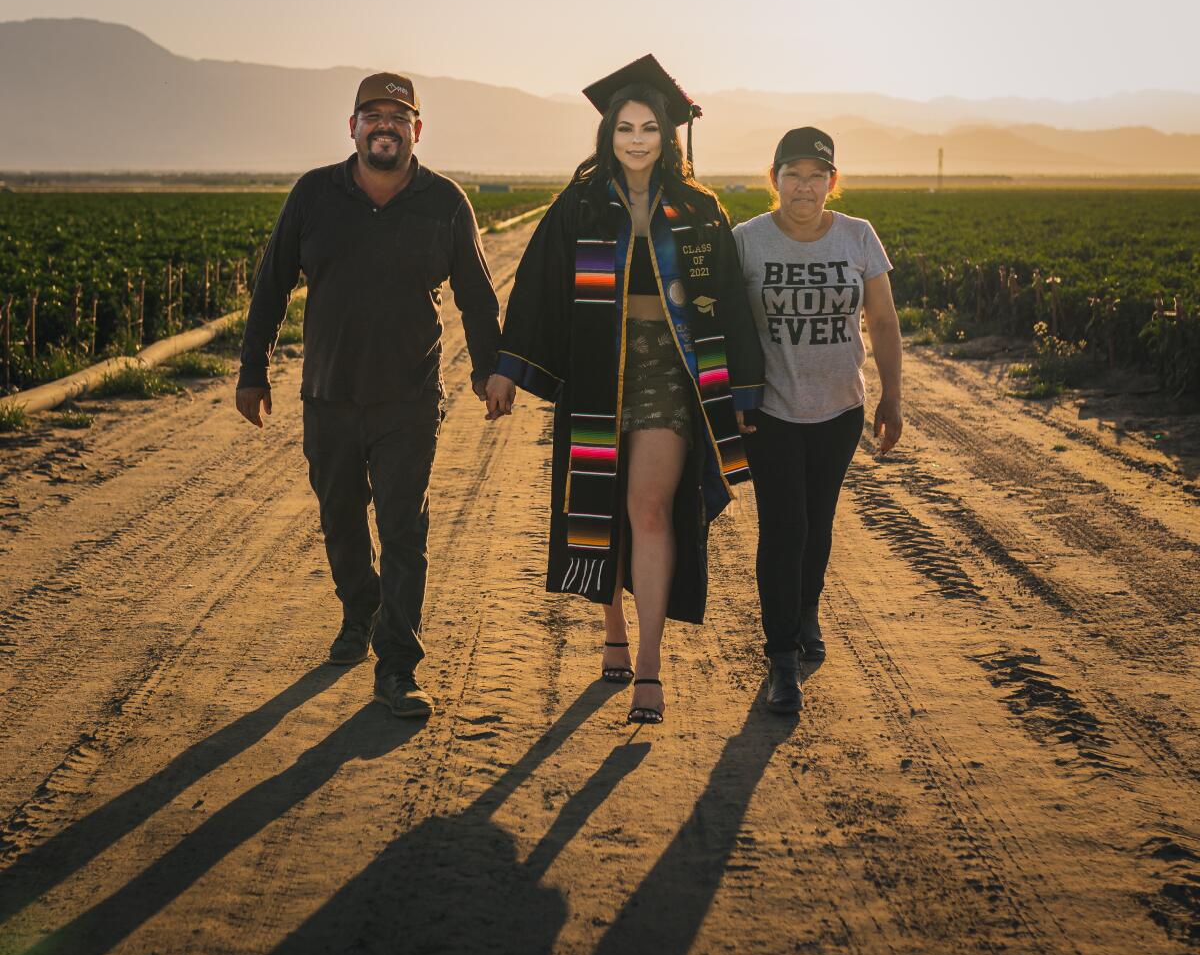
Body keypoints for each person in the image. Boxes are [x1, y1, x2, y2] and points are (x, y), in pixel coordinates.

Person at [486, 55, 764, 726]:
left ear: (668, 134)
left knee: (649, 508)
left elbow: (727, 299)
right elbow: (535, 289)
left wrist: (745, 393)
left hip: (669, 373)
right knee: (602, 506)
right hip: (594, 372)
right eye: (625, 127)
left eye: (649, 127)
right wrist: (509, 365)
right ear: (608, 133)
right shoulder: (579, 204)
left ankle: (648, 662)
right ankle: (611, 624)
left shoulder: (699, 210)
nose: (637, 138)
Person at [235, 72, 503, 718]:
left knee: (404, 527)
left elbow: (476, 294)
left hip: (407, 397)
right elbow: (271, 286)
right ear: (351, 126)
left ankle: (398, 666)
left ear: (417, 128)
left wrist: (490, 370)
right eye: (372, 114)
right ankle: (360, 611)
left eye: (398, 116)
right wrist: (252, 370)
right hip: (327, 392)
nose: (384, 125)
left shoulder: (444, 200)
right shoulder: (313, 194)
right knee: (341, 519)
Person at [733, 126, 903, 715]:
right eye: (791, 174)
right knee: (785, 528)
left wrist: (892, 396)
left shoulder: (859, 237)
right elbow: (726, 327)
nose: (803, 187)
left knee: (819, 523)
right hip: (772, 410)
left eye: (815, 175)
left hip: (839, 409)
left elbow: (881, 321)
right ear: (773, 179)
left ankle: (807, 609)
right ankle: (782, 659)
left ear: (832, 182)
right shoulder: (747, 241)